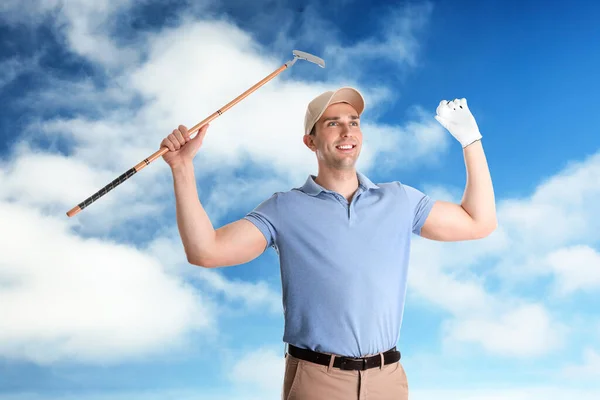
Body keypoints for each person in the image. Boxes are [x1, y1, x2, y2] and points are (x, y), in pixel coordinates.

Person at [160, 87, 497, 400]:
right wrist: (182, 168)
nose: (347, 131)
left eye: (354, 123)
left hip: (388, 379)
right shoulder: (284, 208)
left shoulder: (400, 200)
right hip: (318, 380)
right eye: (333, 124)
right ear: (311, 141)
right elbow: (206, 251)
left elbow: (478, 223)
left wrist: (471, 140)